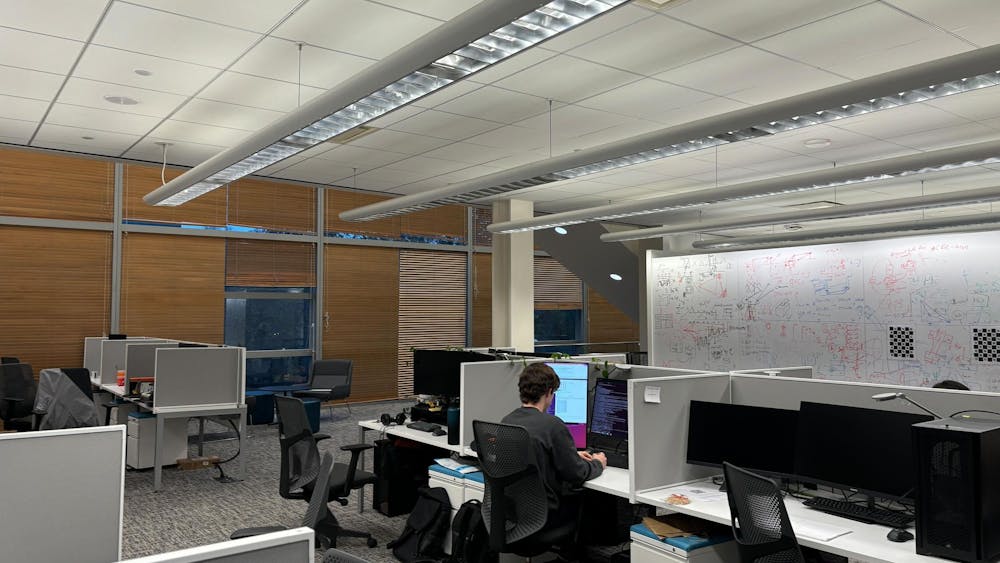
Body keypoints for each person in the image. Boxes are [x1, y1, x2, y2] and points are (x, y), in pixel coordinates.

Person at [501, 362, 606, 527]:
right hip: (544, 517)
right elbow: (576, 473)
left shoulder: (507, 421)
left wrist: (570, 454)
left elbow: (531, 454)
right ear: (549, 393)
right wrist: (597, 463)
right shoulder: (553, 425)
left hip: (514, 515)